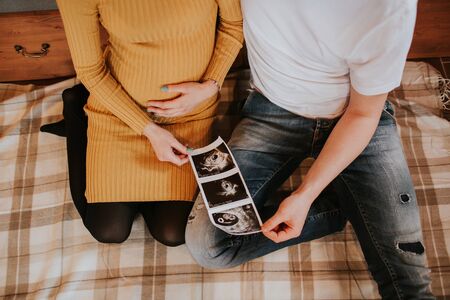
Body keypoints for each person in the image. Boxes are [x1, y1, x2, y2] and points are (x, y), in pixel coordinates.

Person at [185, 0, 435, 298]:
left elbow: (364, 114)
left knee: (408, 283)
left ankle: (359, 204)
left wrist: (304, 195)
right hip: (271, 112)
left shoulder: (389, 8)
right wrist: (210, 82)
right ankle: (344, 206)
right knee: (207, 245)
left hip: (355, 119)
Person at [44, 0, 243, 247]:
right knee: (108, 229)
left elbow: (234, 25)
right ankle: (76, 109)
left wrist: (210, 86)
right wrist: (148, 129)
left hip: (190, 114)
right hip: (119, 114)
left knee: (174, 232)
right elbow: (89, 69)